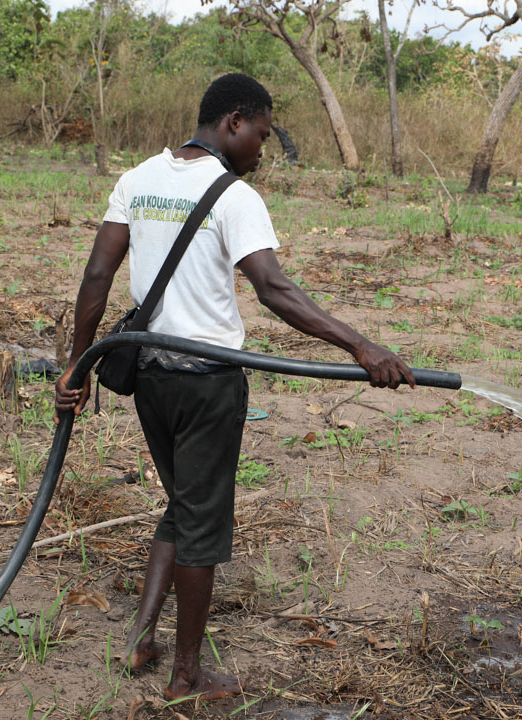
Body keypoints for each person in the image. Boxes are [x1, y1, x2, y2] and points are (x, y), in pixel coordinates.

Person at [54, 73, 414, 703]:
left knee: (182, 504)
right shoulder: (236, 197)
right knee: (200, 523)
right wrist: (362, 345)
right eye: (262, 136)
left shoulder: (138, 179)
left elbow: (96, 275)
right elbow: (274, 289)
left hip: (150, 378)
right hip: (208, 385)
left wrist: (77, 365)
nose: (262, 150)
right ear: (234, 123)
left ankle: (141, 638)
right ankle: (187, 677)